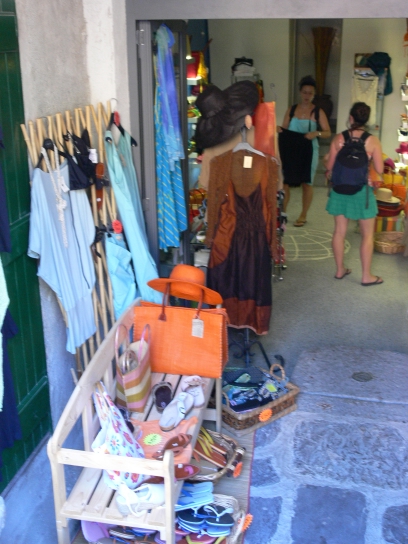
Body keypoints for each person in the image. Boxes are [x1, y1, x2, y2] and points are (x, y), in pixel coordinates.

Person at [325, 102, 384, 286]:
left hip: (339, 189)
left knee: (339, 231)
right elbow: (380, 169)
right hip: (362, 192)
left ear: (350, 118)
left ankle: (340, 269)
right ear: (366, 120)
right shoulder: (373, 141)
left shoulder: (339, 138)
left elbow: (329, 166)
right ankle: (366, 276)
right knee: (367, 235)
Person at [279, 75, 331, 226]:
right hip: (291, 149)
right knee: (285, 182)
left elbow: (327, 132)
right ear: (300, 93)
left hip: (309, 149)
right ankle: (282, 212)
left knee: (307, 183)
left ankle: (303, 214)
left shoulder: (318, 111)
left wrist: (316, 133)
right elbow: (283, 129)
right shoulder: (291, 109)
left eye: (310, 93)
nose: (307, 96)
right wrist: (276, 129)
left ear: (314, 95)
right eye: (304, 92)